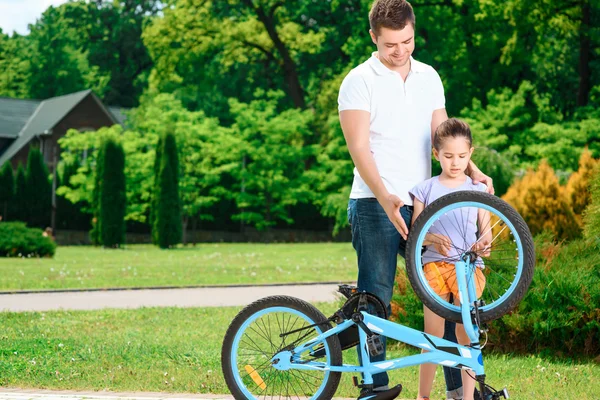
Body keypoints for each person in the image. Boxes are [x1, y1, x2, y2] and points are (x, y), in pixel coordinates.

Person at [338, 0, 494, 398]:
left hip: (428, 204)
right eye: (391, 44)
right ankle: (373, 386)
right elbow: (358, 147)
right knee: (376, 294)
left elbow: (443, 136)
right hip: (374, 203)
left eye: (407, 41)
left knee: (446, 293)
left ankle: (459, 389)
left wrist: (472, 171)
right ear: (374, 37)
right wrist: (386, 195)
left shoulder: (428, 77)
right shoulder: (359, 80)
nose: (400, 51)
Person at [409, 118, 492, 400]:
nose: (454, 163)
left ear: (470, 155)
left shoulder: (479, 191)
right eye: (447, 156)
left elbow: (488, 235)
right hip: (433, 264)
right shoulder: (426, 190)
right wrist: (433, 238)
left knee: (465, 332)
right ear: (436, 154)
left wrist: (484, 243)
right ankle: (423, 395)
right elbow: (415, 232)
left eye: (461, 156)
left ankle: (467, 397)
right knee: (432, 332)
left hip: (468, 266)